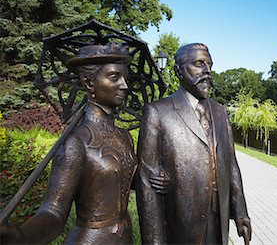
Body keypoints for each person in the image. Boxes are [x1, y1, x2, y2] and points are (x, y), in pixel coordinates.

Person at [1, 42, 165, 244]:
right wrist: (22, 236)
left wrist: (155, 178)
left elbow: (122, 181)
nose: (125, 85)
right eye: (114, 77)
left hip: (125, 239)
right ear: (88, 83)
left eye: (125, 78)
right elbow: (54, 211)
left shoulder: (124, 136)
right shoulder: (76, 142)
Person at [136, 43, 251, 245]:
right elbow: (147, 182)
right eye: (199, 64)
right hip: (181, 225)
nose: (207, 72)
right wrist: (153, 240)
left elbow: (231, 164)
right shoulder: (157, 112)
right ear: (178, 71)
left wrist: (241, 212)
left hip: (219, 223)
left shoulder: (220, 112)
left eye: (210, 65)